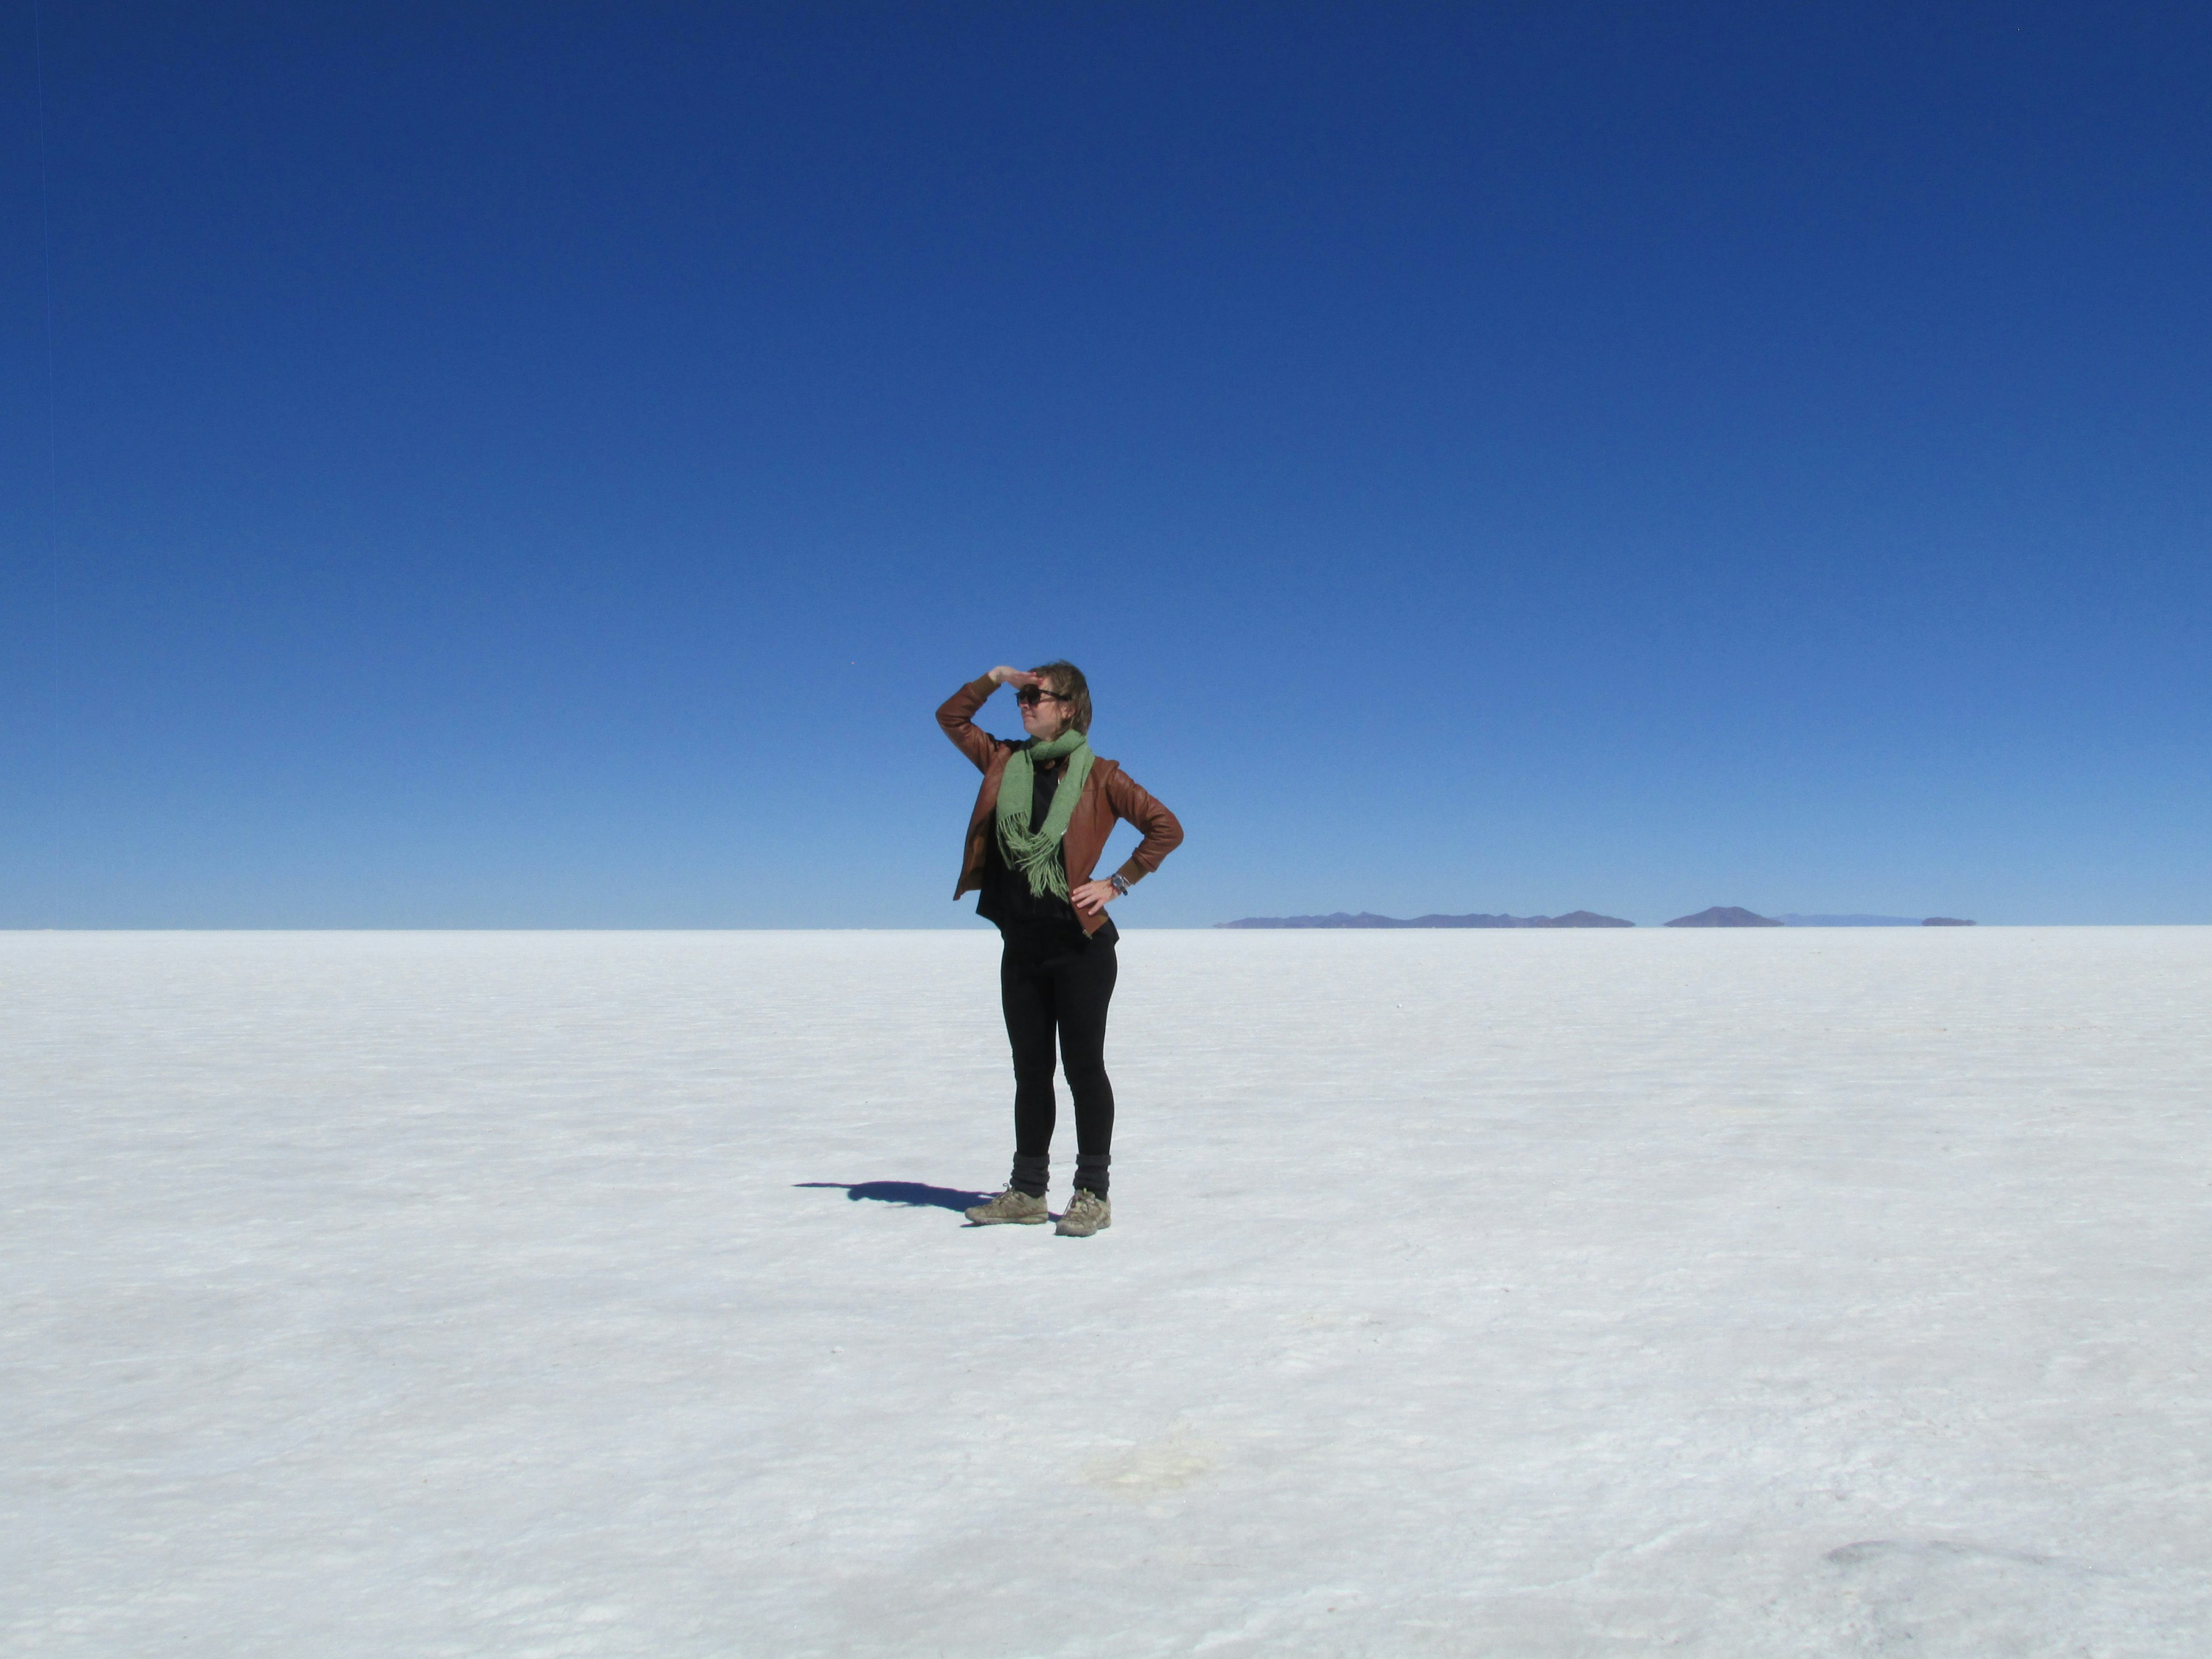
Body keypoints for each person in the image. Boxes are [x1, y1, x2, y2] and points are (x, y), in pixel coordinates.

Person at [937, 661, 1184, 1237]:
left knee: (1082, 1068)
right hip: (1020, 945)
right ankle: (1027, 1191)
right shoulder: (1002, 761)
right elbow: (951, 717)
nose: (1025, 704)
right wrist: (994, 679)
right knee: (1031, 1072)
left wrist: (1117, 883)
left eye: (1036, 696)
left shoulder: (1100, 776)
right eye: (1021, 697)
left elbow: (1164, 827)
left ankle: (1092, 1195)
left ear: (1069, 707)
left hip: (1080, 948)